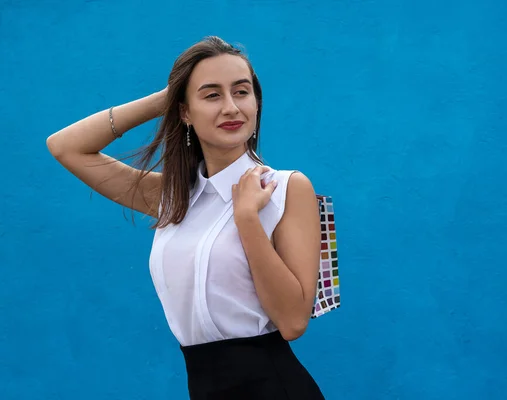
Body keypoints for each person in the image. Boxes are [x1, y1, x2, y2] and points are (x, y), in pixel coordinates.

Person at [46, 36, 325, 399]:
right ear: (184, 112)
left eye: (241, 92)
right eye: (212, 95)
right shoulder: (174, 199)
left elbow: (292, 322)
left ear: (256, 103)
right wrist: (168, 97)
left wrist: (247, 220)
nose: (231, 107)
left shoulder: (285, 188)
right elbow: (65, 147)